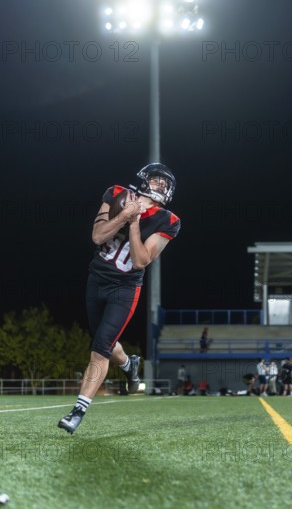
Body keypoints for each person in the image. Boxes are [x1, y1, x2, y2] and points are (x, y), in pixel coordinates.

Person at [58, 163, 181, 434]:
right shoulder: (116, 194)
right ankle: (128, 363)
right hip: (96, 279)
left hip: (124, 289)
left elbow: (140, 261)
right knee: (106, 342)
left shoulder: (168, 220)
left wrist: (135, 223)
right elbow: (98, 236)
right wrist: (126, 213)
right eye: (157, 181)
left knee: (100, 347)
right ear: (144, 180)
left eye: (165, 184)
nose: (161, 187)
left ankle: (78, 410)